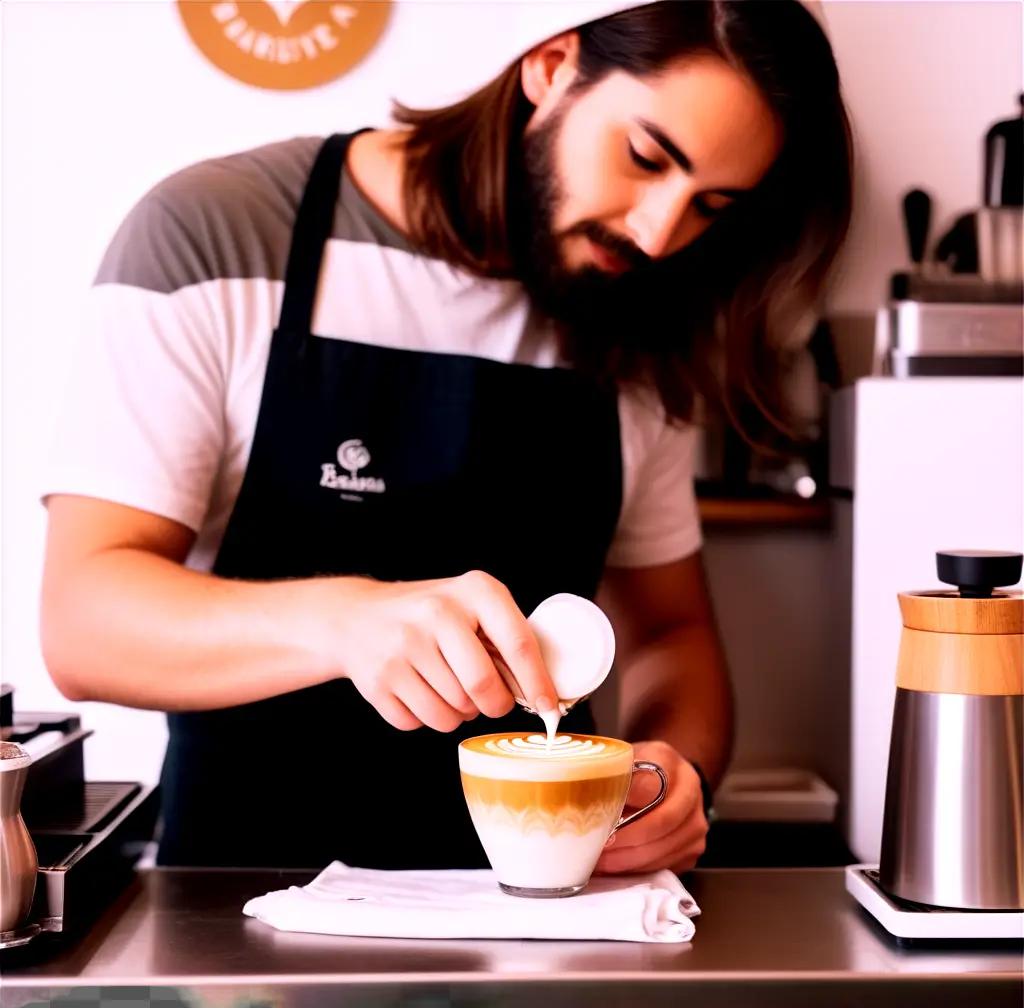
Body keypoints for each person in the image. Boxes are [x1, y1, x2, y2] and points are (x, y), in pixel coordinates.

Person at [39, 0, 852, 872]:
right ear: (551, 67)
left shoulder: (636, 332)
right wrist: (342, 621)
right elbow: (85, 621)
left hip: (542, 937)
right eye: (645, 157)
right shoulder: (215, 233)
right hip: (239, 934)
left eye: (711, 206)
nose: (658, 233)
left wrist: (669, 770)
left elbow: (670, 640)